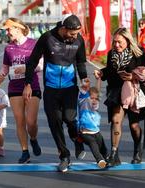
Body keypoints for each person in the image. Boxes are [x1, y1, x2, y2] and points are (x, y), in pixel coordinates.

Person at [23, 14, 89, 172]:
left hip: (70, 88)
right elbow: (32, 61)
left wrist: (84, 78)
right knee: (55, 122)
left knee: (70, 118)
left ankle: (77, 140)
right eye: (73, 33)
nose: (76, 36)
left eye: (77, 33)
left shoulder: (79, 40)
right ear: (64, 29)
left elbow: (80, 62)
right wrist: (27, 84)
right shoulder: (47, 38)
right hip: (51, 89)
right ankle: (64, 156)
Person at [94, 28, 145, 166]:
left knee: (134, 125)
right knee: (116, 120)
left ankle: (137, 149)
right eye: (114, 42)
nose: (116, 45)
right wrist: (102, 73)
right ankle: (114, 154)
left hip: (135, 93)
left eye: (119, 42)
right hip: (117, 92)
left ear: (128, 41)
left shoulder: (139, 54)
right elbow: (110, 71)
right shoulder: (112, 54)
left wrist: (133, 76)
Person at [0, 17, 43, 164]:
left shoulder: (34, 44)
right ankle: (25, 151)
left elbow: (41, 65)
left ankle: (34, 139)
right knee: (20, 121)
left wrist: (25, 68)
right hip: (15, 87)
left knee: (31, 122)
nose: (7, 32)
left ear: (18, 28)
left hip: (32, 86)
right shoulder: (8, 48)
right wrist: (0, 76)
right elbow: (5, 67)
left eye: (9, 29)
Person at [77, 79, 108, 169]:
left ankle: (106, 158)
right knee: (93, 144)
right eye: (91, 98)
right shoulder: (84, 102)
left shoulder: (96, 104)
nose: (94, 100)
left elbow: (97, 91)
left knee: (102, 146)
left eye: (95, 98)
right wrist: (84, 84)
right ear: (87, 97)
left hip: (96, 132)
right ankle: (100, 160)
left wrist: (98, 79)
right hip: (85, 133)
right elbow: (83, 92)